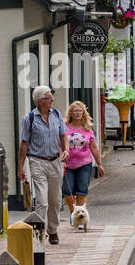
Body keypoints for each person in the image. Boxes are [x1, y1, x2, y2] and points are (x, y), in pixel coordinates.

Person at [17, 85, 68, 245]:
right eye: (48, 97)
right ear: (40, 101)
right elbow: (24, 144)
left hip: (55, 161)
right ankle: (39, 233)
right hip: (37, 161)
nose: (52, 99)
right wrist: (20, 166)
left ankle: (52, 230)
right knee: (42, 201)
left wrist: (65, 149)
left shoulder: (57, 114)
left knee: (55, 200)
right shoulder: (29, 118)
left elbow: (63, 134)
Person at [61, 100, 105, 218]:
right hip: (67, 165)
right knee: (67, 192)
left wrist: (99, 164)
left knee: (82, 191)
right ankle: (73, 213)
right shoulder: (64, 128)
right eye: (74, 111)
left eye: (79, 111)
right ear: (70, 113)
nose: (77, 113)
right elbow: (59, 144)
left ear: (83, 113)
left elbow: (94, 147)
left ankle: (80, 219)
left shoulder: (87, 129)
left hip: (84, 164)